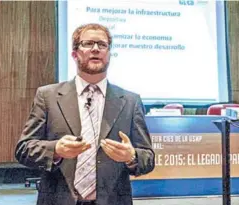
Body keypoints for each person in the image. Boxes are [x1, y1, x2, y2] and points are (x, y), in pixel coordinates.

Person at [15, 23, 155, 205]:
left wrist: (131, 156)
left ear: (109, 54)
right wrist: (55, 150)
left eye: (102, 45)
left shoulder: (130, 101)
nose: (96, 49)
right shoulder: (48, 96)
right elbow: (24, 149)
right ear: (74, 54)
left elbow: (148, 158)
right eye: (88, 43)